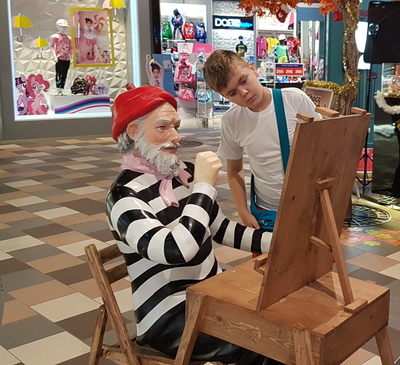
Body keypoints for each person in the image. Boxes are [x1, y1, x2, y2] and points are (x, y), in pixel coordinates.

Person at [106, 85, 275, 363]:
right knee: (267, 344)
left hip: (210, 294)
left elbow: (220, 228)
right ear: (134, 132)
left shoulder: (182, 173)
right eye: (162, 128)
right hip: (168, 316)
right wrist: (204, 187)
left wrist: (277, 242)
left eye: (175, 126)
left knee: (282, 323)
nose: (175, 137)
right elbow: (176, 250)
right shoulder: (124, 196)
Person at [203, 50, 319, 232]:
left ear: (252, 69)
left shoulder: (294, 99)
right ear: (225, 97)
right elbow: (234, 170)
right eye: (232, 93)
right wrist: (243, 212)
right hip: (267, 211)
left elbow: (322, 147)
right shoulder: (232, 121)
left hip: (309, 204)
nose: (244, 92)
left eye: (243, 81)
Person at [50, 19, 72, 96]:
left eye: (64, 27)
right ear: (58, 26)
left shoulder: (69, 38)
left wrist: (71, 56)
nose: (63, 28)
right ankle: (58, 88)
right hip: (59, 57)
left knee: (65, 73)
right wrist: (54, 56)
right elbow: (52, 46)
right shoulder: (55, 36)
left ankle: (62, 88)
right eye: (62, 26)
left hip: (67, 57)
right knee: (59, 73)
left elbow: (71, 48)